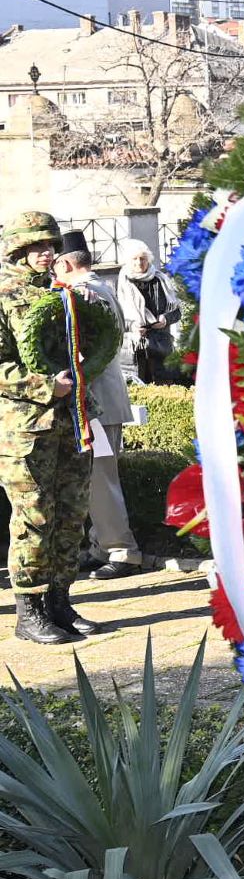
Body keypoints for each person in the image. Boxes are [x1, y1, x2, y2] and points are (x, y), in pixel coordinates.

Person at [0, 211, 113, 644]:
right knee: (35, 517)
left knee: (71, 514)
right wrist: (47, 386)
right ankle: (29, 611)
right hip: (26, 427)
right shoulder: (4, 295)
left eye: (50, 245)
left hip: (72, 419)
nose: (46, 253)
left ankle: (60, 602)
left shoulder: (61, 291)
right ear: (18, 250)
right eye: (36, 246)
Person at [53, 235, 140, 582]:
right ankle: (101, 546)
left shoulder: (88, 293)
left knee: (102, 479)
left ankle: (122, 550)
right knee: (93, 478)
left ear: (65, 264)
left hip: (98, 402)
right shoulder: (97, 288)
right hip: (98, 400)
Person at [114, 238, 181, 385]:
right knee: (137, 390)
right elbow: (115, 318)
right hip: (133, 351)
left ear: (148, 260)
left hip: (160, 348)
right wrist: (132, 326)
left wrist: (165, 319)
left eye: (143, 258)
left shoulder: (161, 281)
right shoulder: (121, 283)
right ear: (128, 261)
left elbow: (177, 312)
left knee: (164, 391)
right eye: (135, 259)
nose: (139, 262)